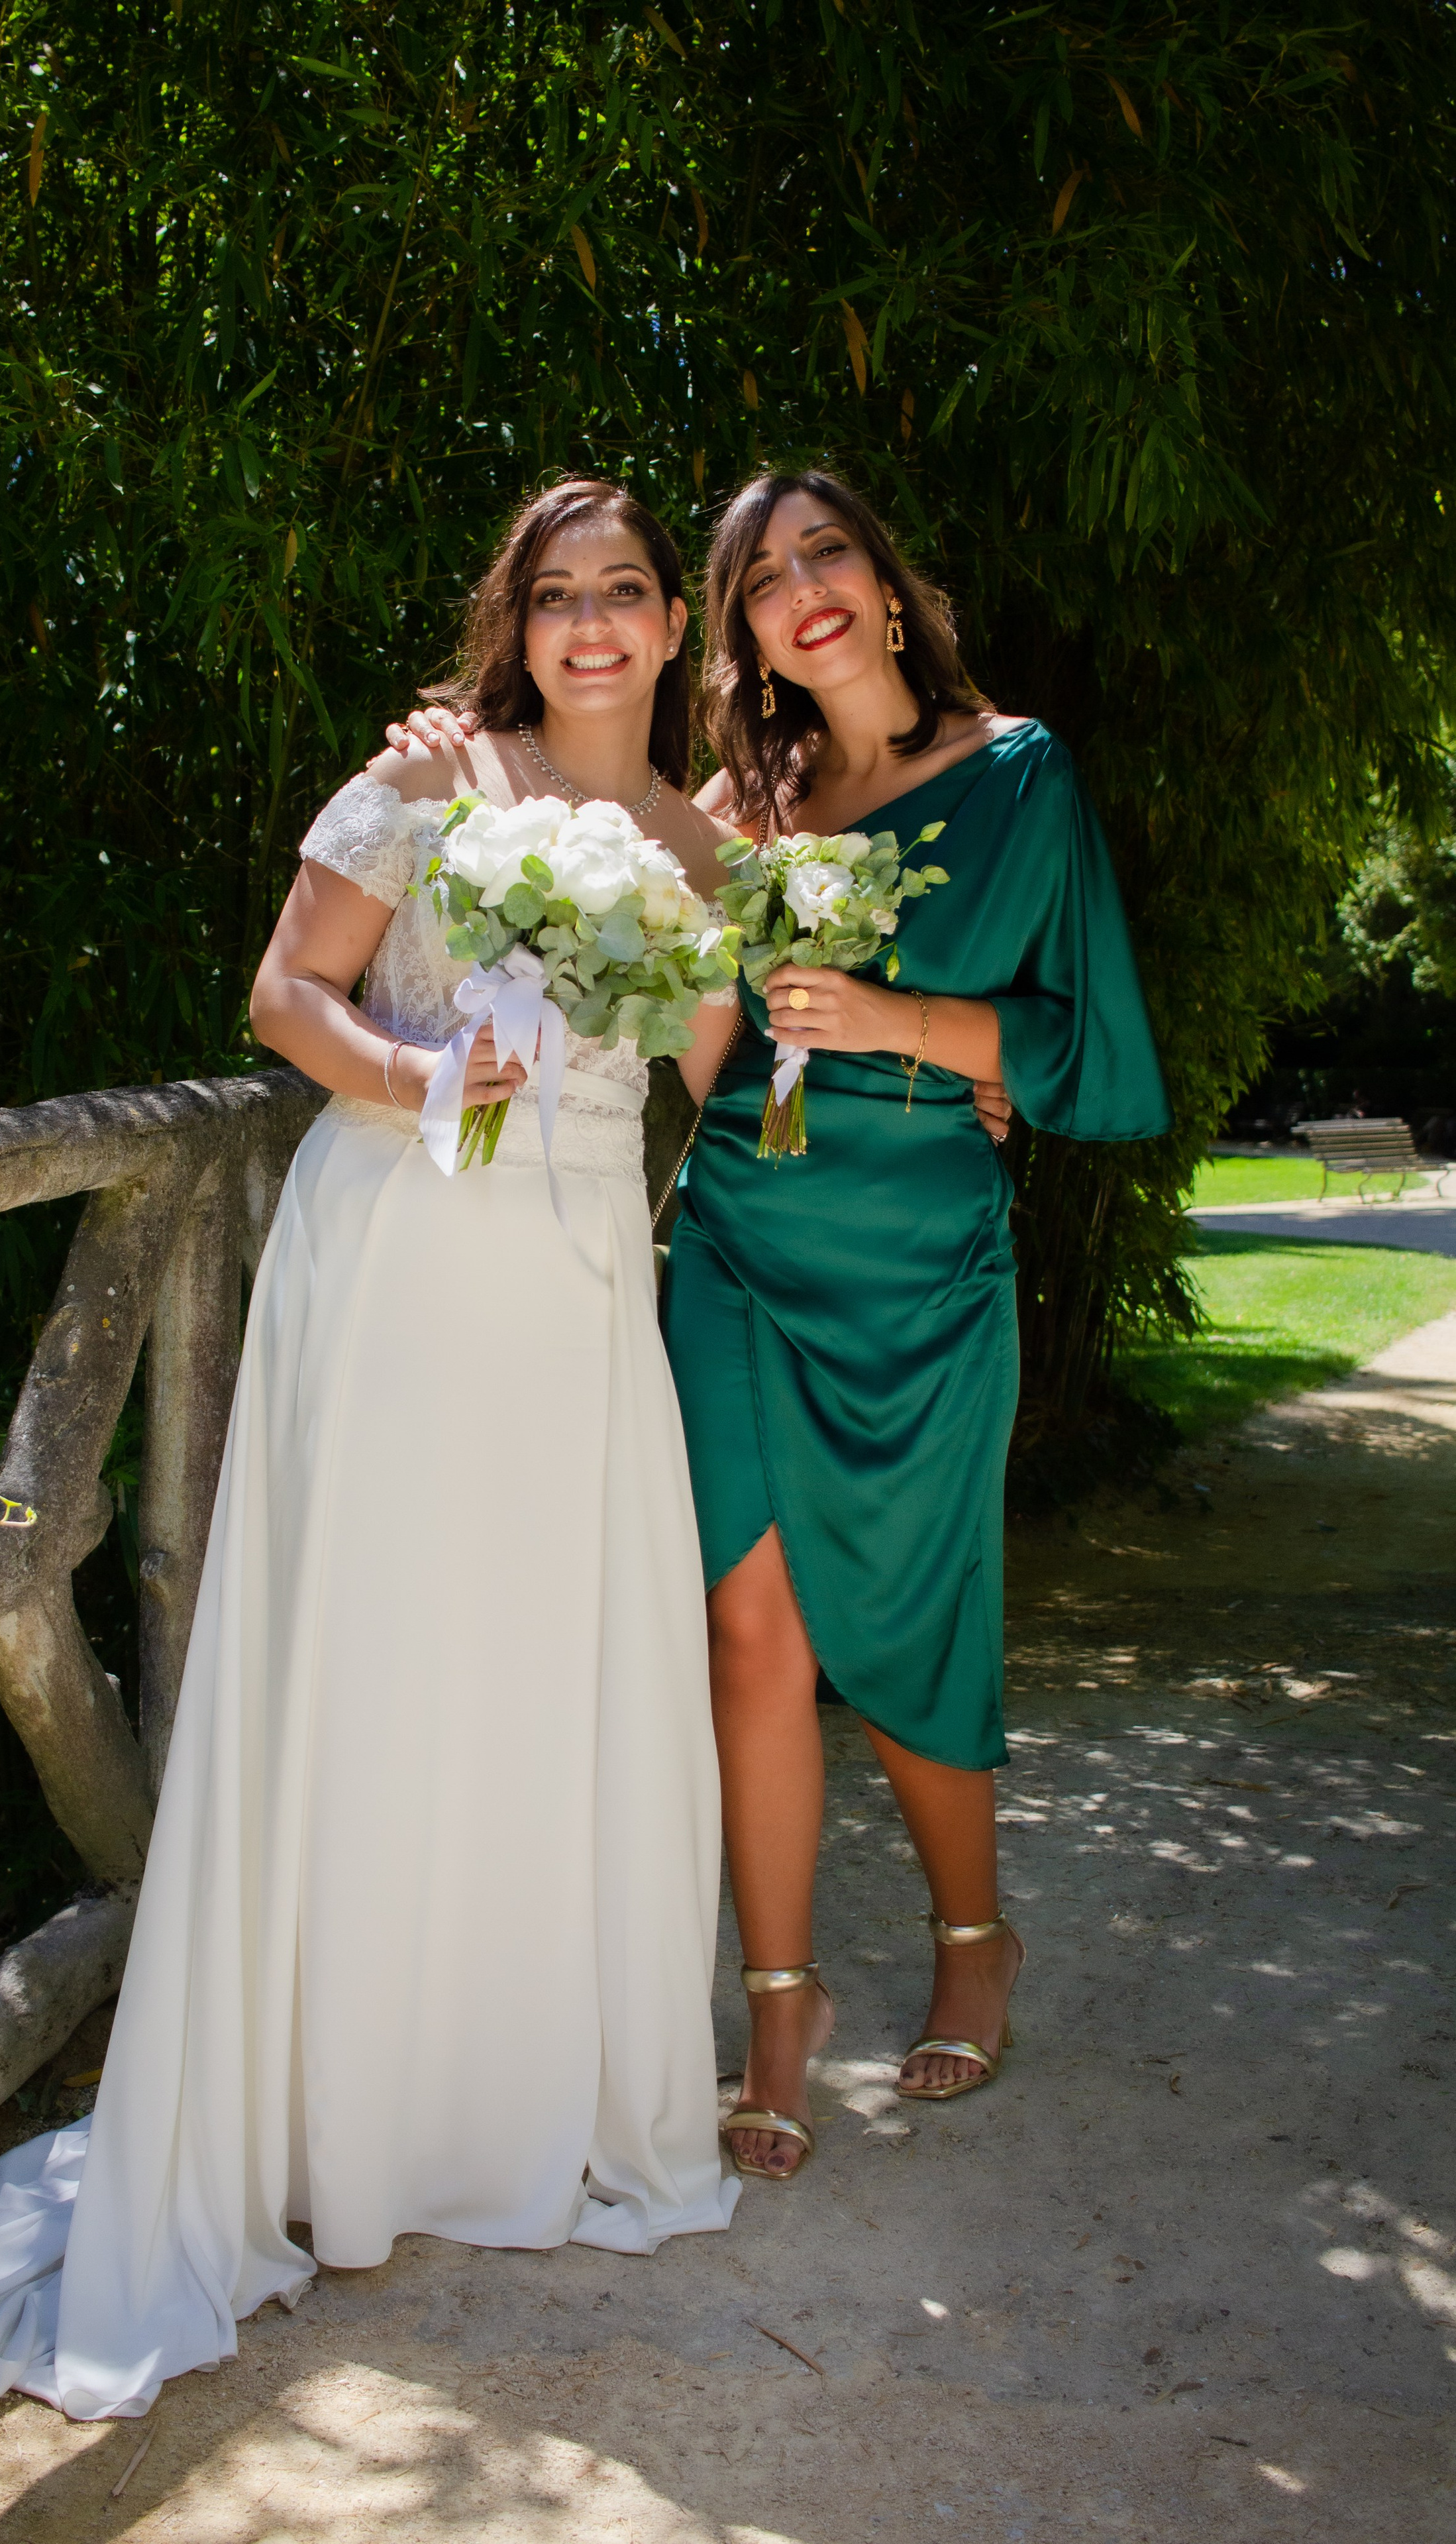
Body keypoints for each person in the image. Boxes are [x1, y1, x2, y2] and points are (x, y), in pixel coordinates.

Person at [0, 480, 741, 2452]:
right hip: (395, 1256)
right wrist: (406, 1077)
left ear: (667, 622)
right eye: (556, 597)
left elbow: (724, 1070)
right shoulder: (419, 772)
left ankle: (508, 2099)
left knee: (542, 1682)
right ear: (518, 622)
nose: (590, 629)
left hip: (576, 1298)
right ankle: (336, 2116)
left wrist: (794, 999)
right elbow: (282, 997)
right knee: (377, 1677)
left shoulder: (700, 838)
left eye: (624, 592)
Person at [658, 470, 1170, 2176]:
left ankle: (974, 1939)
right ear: (739, 637)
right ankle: (781, 2003)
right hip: (732, 1237)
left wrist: (901, 1016)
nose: (798, 588)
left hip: (922, 1265)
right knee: (753, 1635)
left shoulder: (1019, 775)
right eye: (757, 578)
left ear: (888, 586)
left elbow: (1087, 1054)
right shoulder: (742, 811)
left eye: (826, 553)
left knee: (913, 1620)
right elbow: (692, 1039)